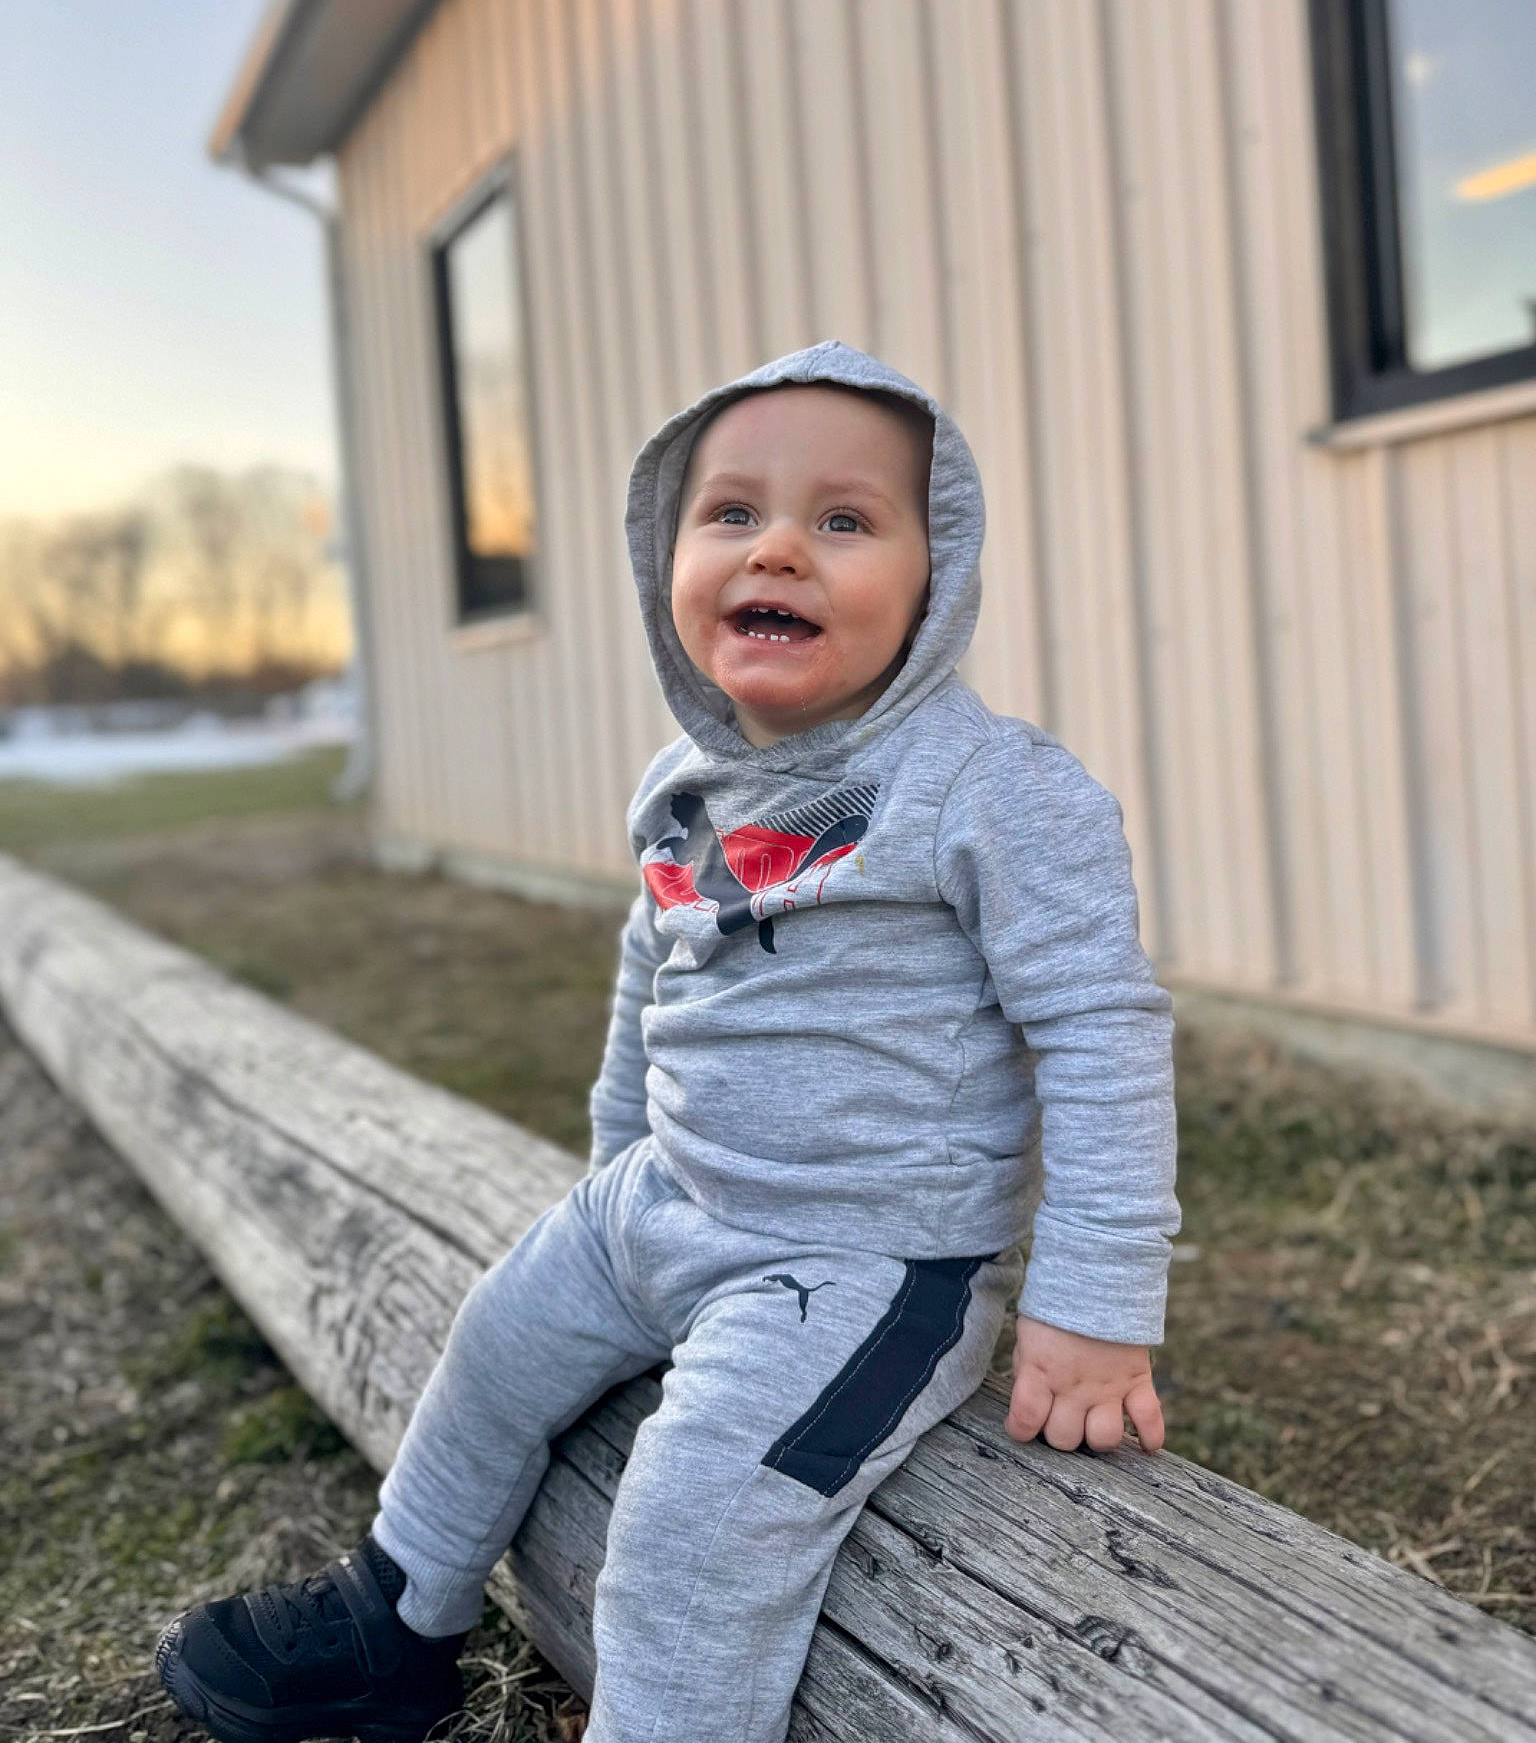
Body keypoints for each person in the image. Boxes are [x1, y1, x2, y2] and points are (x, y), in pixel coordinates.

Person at [155, 341, 1179, 1743]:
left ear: (936, 575)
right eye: (733, 514)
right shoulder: (682, 783)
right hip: (666, 1205)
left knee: (693, 1526)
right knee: (491, 1352)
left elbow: (1103, 1032)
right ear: (668, 557)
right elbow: (656, 968)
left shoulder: (996, 791)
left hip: (860, 1259)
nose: (782, 550)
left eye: (843, 520)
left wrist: (1098, 1302)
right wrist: (614, 1181)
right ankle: (400, 1616)